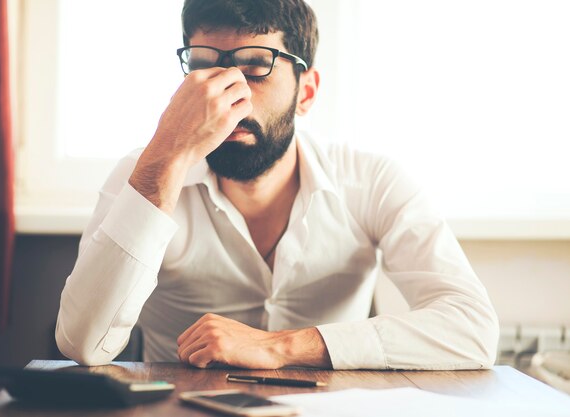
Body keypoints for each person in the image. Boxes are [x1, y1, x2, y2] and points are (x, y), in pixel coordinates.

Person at [55, 0, 499, 370]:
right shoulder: (145, 171)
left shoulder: (371, 181)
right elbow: (82, 345)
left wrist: (282, 346)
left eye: (255, 67)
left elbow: (472, 329)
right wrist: (166, 153)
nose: (225, 93)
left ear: (305, 92)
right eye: (204, 68)